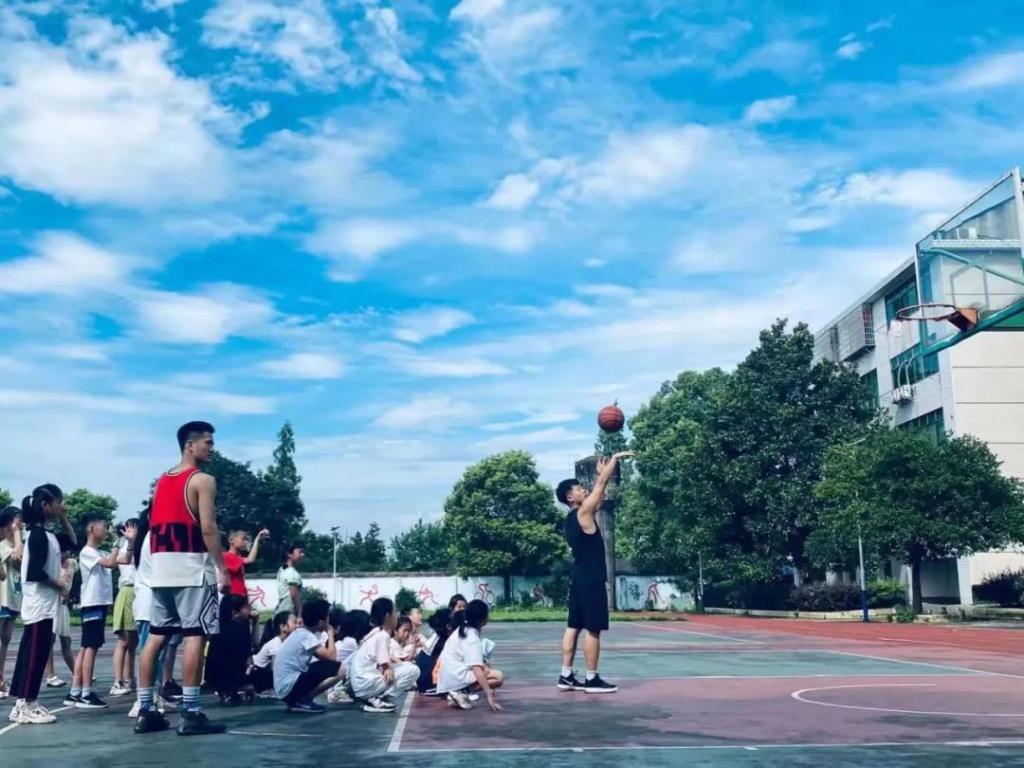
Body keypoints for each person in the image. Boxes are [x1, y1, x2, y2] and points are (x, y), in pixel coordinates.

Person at [134, 421, 230, 736]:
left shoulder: (162, 481)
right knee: (195, 636)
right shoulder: (202, 480)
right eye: (208, 442)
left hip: (161, 570)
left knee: (156, 637)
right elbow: (208, 528)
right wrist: (222, 568)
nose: (212, 448)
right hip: (191, 568)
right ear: (190, 445)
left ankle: (146, 710)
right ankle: (191, 711)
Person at [555, 451, 632, 694]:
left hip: (578, 578)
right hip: (591, 579)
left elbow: (598, 499)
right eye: (579, 489)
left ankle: (566, 675)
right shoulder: (582, 513)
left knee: (573, 626)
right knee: (593, 628)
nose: (584, 490)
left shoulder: (571, 518)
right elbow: (600, 487)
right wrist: (614, 460)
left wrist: (601, 477)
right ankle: (591, 679)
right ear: (570, 497)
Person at [8, 484, 74, 725]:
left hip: (45, 605)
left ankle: (22, 703)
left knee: (34, 654)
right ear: (46, 506)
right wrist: (59, 583)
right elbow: (34, 572)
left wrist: (64, 518)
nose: (61, 506)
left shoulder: (49, 535)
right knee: (34, 656)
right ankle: (28, 704)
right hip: (38, 605)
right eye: (58, 502)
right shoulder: (37, 535)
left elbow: (73, 542)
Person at [66, 515, 118, 709]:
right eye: (103, 527)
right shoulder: (87, 552)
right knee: (91, 647)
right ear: (91, 530)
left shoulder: (100, 551)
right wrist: (116, 542)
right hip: (93, 603)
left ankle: (75, 691)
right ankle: (86, 692)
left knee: (86, 647)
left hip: (99, 603)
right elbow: (110, 563)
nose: (106, 531)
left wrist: (128, 544)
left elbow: (120, 560)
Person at [349, 597, 418, 713]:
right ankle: (377, 699)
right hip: (365, 685)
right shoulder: (382, 636)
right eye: (395, 613)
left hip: (361, 683)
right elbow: (384, 666)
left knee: (406, 666)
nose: (397, 616)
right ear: (387, 616)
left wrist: (388, 667)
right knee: (413, 670)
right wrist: (387, 668)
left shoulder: (376, 632)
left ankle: (376, 697)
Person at [273, 599, 341, 714]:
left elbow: (324, 658)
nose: (329, 621)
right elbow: (332, 657)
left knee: (328, 666)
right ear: (321, 622)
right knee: (341, 669)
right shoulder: (306, 636)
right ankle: (303, 701)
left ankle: (300, 700)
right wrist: (330, 633)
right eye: (328, 617)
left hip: (285, 688)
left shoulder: (301, 633)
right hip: (289, 688)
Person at [437, 599, 504, 711]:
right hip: (454, 676)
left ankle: (459, 694)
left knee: (486, 670)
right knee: (498, 677)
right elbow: (477, 670)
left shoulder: (465, 629)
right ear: (482, 620)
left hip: (449, 675)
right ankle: (461, 692)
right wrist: (489, 695)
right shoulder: (471, 637)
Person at [223, 528, 268, 645]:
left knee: (244, 631)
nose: (245, 542)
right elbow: (250, 559)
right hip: (233, 597)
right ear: (231, 540)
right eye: (243, 539)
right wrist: (257, 539)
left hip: (241, 598)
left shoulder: (238, 559)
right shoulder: (226, 556)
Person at [206, 594, 251, 705]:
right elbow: (250, 651)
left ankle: (226, 692)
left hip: (213, 676)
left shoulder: (219, 627)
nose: (249, 610)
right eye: (246, 607)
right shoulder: (239, 628)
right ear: (235, 612)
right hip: (233, 675)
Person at [44, 536, 77, 687]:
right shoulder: (52, 565)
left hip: (63, 606)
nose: (66, 554)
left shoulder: (72, 563)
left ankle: (77, 672)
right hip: (53, 604)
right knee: (50, 640)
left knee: (66, 641)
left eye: (67, 551)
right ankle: (51, 675)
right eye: (63, 551)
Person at [111, 519, 139, 697]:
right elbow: (120, 561)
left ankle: (129, 679)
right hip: (128, 591)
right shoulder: (125, 548)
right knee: (124, 640)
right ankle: (118, 681)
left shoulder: (139, 546)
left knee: (133, 642)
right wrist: (129, 542)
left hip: (136, 592)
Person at [0, 507, 22, 699]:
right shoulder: (3, 544)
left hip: (14, 597)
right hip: (3, 598)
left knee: (5, 642)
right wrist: (16, 534)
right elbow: (17, 558)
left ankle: (1, 679)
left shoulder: (18, 542)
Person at [248, 611, 295, 696]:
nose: (297, 625)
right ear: (283, 627)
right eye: (294, 622)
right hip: (256, 672)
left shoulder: (286, 642)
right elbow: (275, 669)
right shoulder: (276, 645)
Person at [326, 608, 367, 704]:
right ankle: (338, 691)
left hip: (335, 679)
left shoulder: (345, 640)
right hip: (337, 681)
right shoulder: (350, 642)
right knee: (361, 656)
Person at [416, 608, 451, 693]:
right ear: (448, 625)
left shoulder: (438, 635)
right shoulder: (442, 639)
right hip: (428, 683)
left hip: (424, 680)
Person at [275, 544, 305, 617]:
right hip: (290, 611)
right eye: (300, 552)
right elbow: (294, 595)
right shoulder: (292, 573)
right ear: (289, 554)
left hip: (282, 609)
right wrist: (300, 614)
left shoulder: (282, 569)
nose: (303, 555)